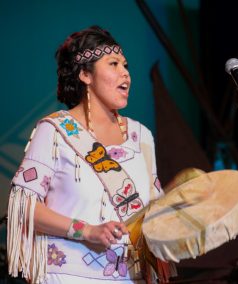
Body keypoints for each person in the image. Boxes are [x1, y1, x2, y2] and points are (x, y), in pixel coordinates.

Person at [7, 25, 172, 283]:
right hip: (65, 274)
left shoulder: (142, 136)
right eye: (114, 64)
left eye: (126, 66)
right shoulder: (54, 132)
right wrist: (87, 231)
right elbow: (24, 209)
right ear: (85, 74)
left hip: (131, 276)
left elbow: (153, 208)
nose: (125, 74)